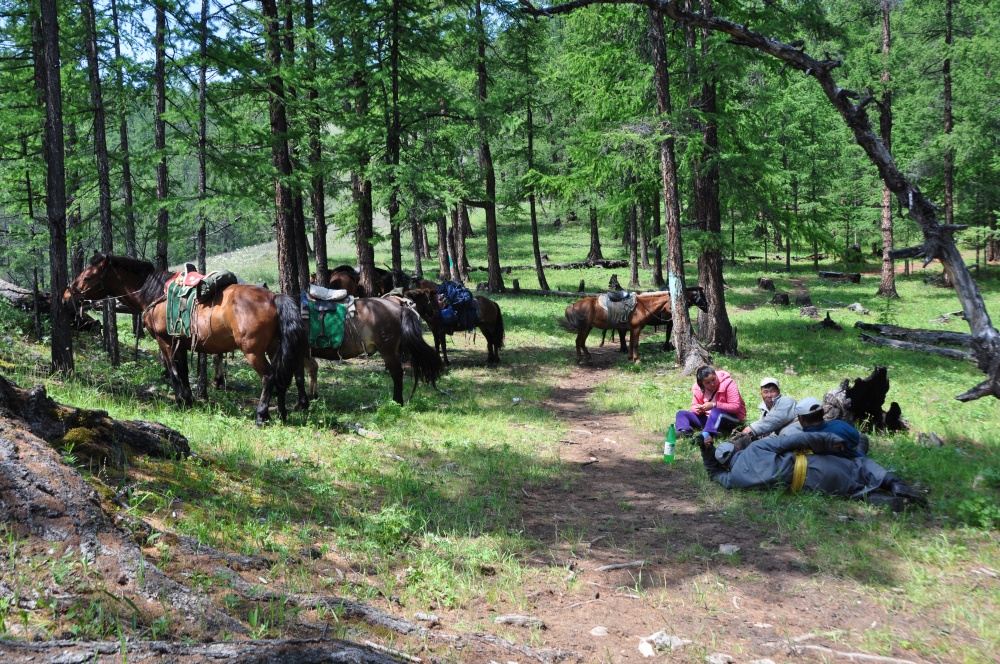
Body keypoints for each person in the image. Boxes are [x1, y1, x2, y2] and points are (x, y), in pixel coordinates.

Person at [695, 431, 927, 510]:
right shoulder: (756, 446)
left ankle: (882, 500)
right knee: (861, 466)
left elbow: (714, 473)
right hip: (814, 466)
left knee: (849, 491)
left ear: (726, 464)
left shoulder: (733, 479)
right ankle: (894, 484)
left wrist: (706, 451)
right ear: (737, 447)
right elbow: (797, 439)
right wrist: (828, 440)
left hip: (807, 487)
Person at [675, 366, 747, 443]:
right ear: (702, 383)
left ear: (715, 375)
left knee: (716, 412)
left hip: (732, 418)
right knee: (681, 413)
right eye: (708, 383)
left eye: (714, 379)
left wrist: (714, 405)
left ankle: (705, 435)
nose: (712, 384)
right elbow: (694, 405)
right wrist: (699, 410)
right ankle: (684, 431)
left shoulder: (729, 383)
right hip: (710, 418)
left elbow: (736, 407)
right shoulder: (698, 388)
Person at [782, 396, 867, 457]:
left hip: (837, 469)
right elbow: (856, 438)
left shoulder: (805, 440)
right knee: (862, 437)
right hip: (855, 458)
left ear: (801, 419)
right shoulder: (839, 424)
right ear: (823, 412)